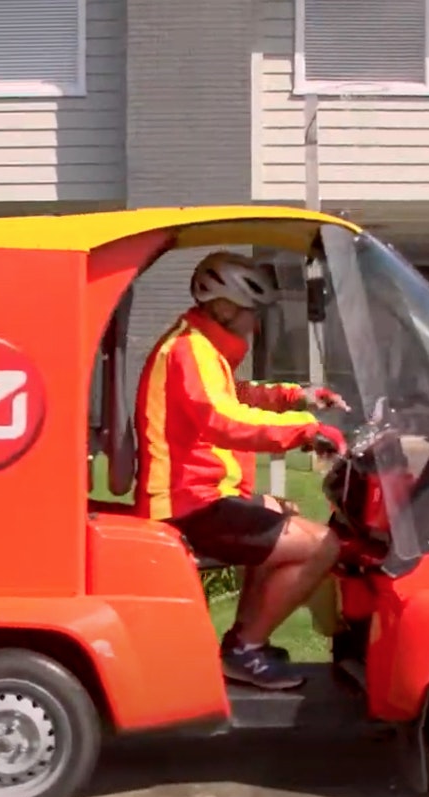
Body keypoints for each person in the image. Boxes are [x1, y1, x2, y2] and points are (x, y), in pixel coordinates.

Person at [134, 250, 350, 691]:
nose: (256, 324)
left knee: (282, 514)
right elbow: (222, 419)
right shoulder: (190, 350)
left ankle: (244, 643)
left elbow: (234, 396)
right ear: (224, 308)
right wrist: (306, 430)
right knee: (322, 545)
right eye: (251, 312)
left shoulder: (200, 347)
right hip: (189, 503)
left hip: (198, 494)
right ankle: (247, 648)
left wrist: (297, 397)